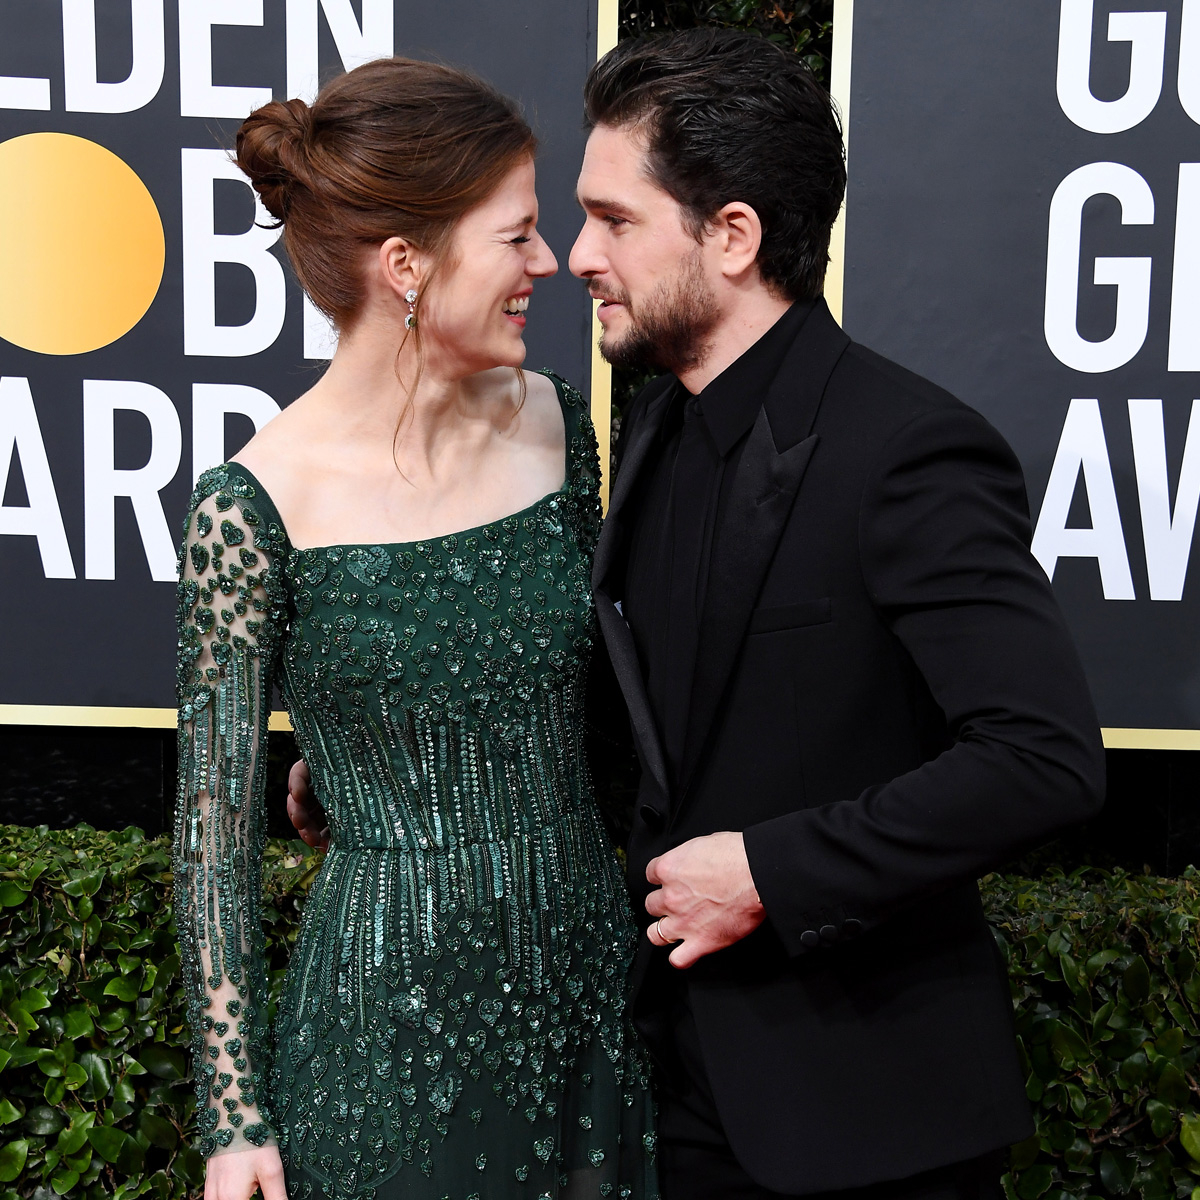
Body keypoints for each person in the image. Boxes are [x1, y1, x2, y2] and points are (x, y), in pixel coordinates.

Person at [289, 28, 1107, 1200]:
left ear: (732, 237)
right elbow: (635, 728)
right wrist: (387, 748)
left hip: (861, 1120)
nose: (576, 257)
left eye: (616, 221)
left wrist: (774, 871)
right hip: (665, 1091)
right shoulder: (660, 432)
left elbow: (1044, 760)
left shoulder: (908, 452)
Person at [172, 58, 658, 1200]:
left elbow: (592, 707)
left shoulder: (555, 423)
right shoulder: (251, 506)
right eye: (518, 236)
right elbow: (212, 842)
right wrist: (234, 1117)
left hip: (585, 978)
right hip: (391, 1020)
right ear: (406, 264)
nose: (550, 263)